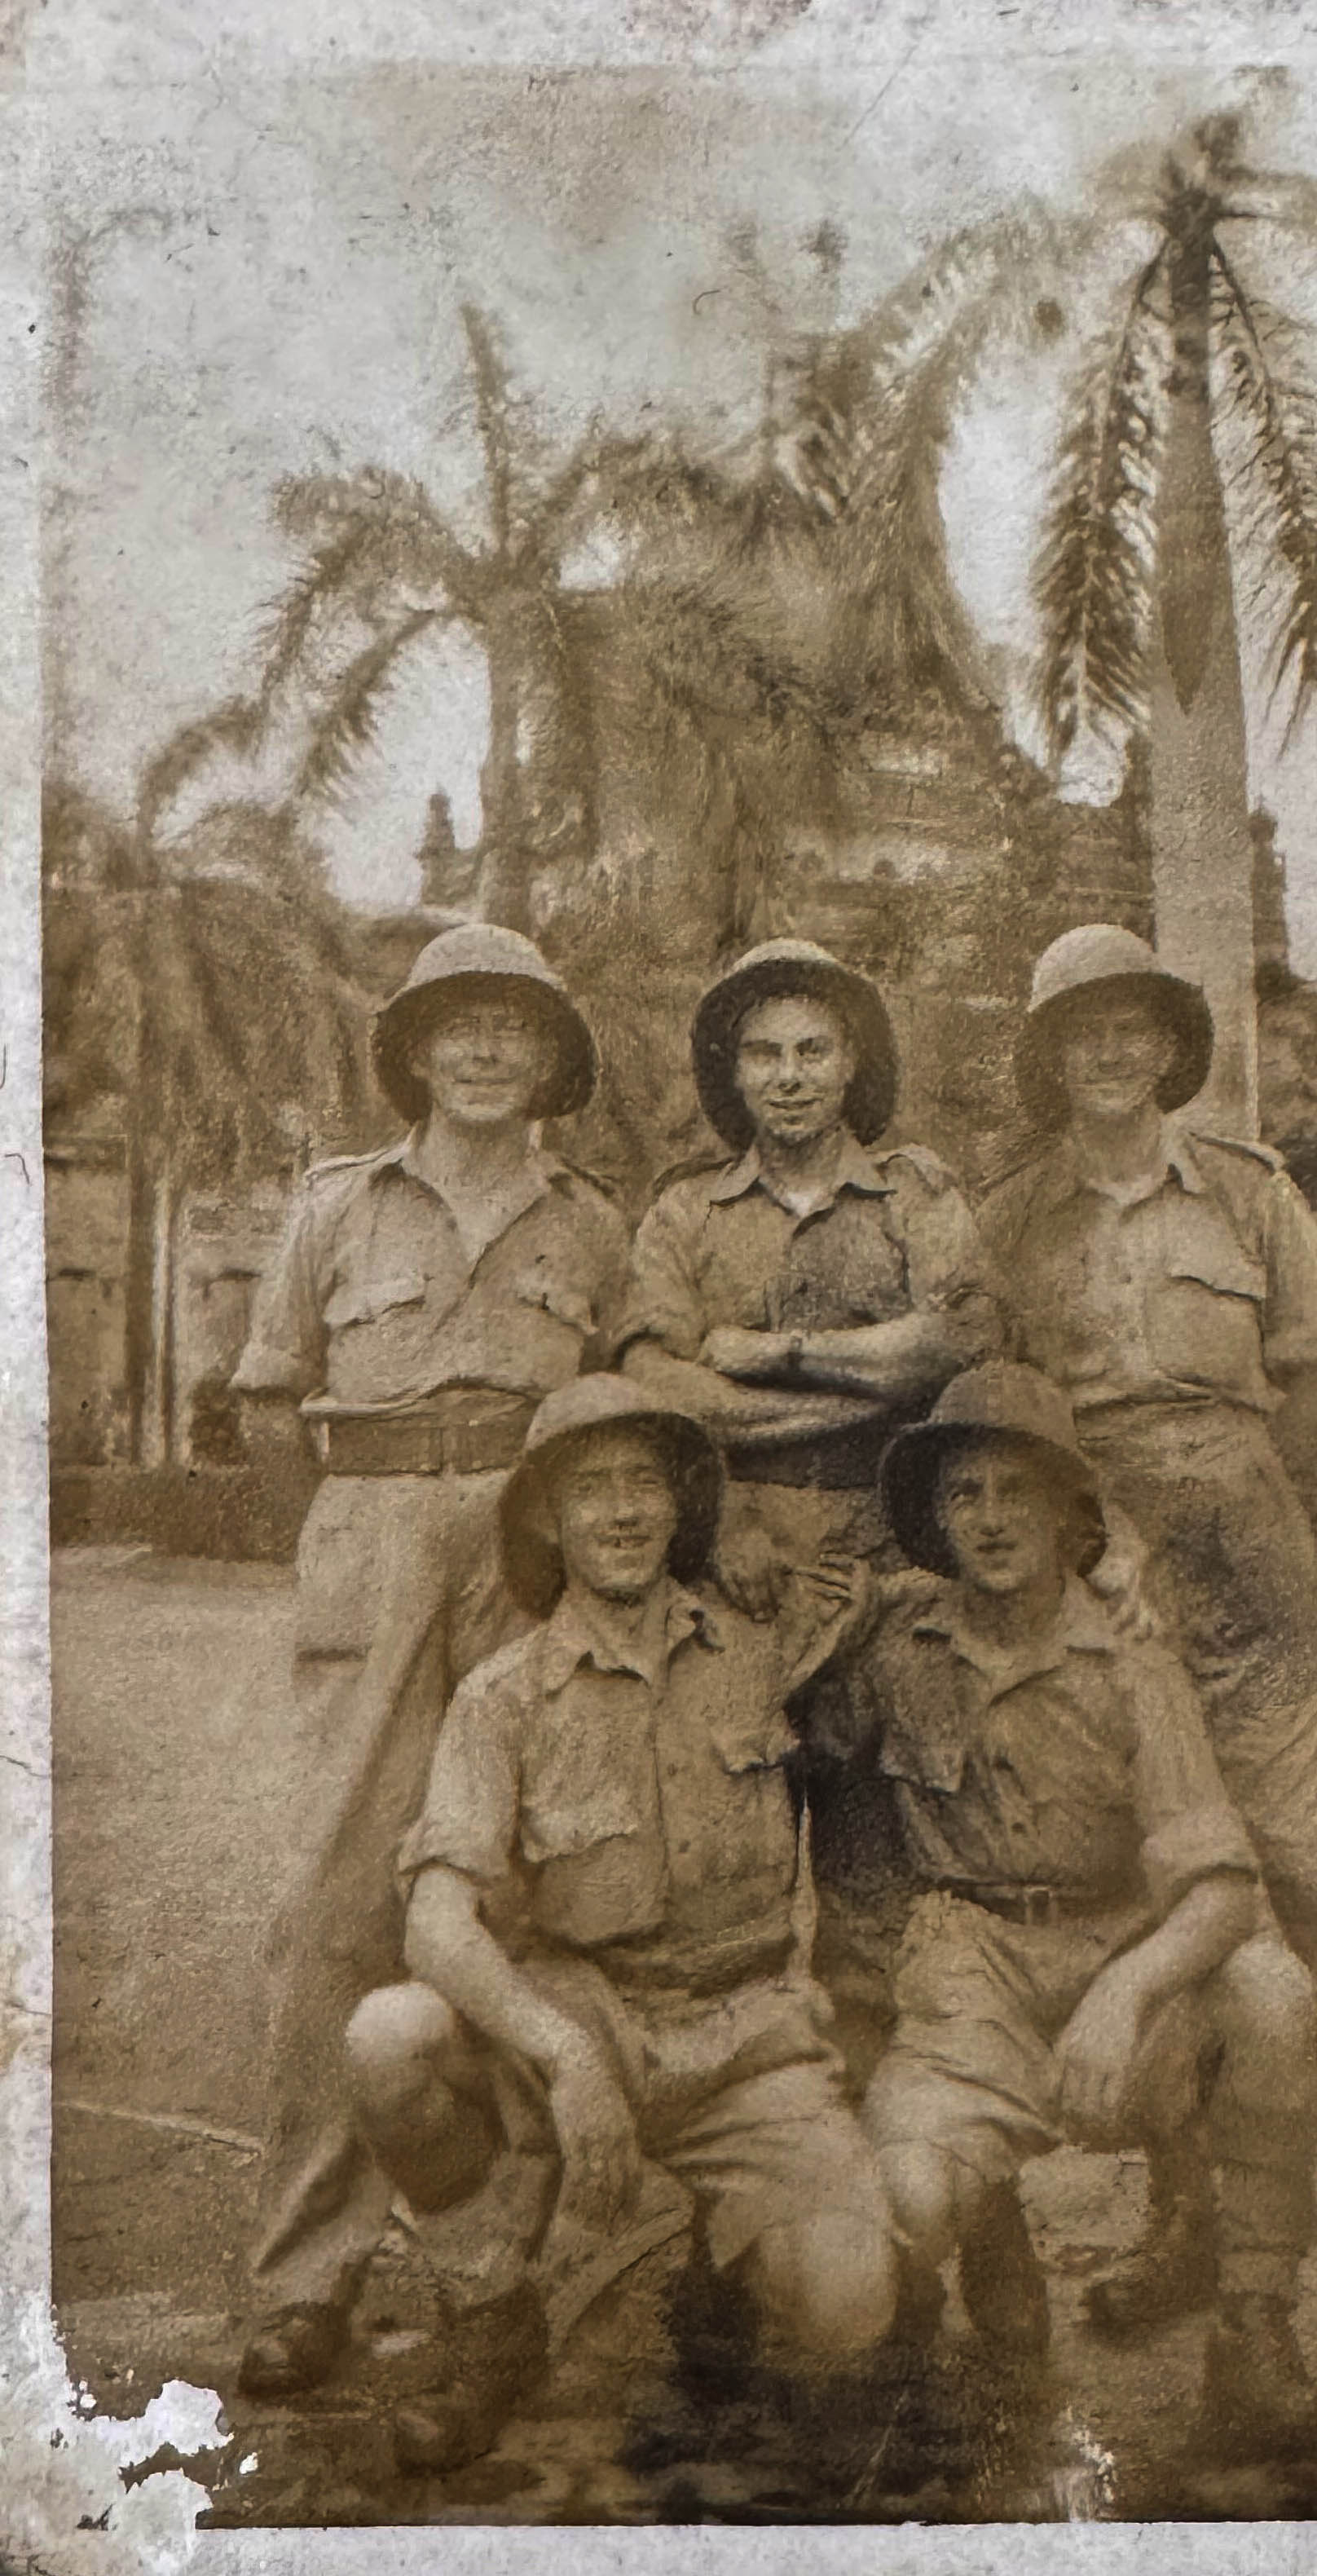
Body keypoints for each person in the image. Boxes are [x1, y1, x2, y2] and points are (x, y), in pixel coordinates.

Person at [979, 924, 1317, 2373]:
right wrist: (1090, 1555)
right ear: (1047, 1055)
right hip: (1095, 1592)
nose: (1108, 1055)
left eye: (1132, 1029)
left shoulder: (1252, 1196)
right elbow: (998, 1409)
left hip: (1249, 1584)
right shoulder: (1009, 1217)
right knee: (1163, 1906)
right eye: (1078, 1032)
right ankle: (1191, 2233)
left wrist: (1267, 1526)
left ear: (1166, 1049)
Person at [613, 937, 1055, 2340]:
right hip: (737, 1581)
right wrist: (833, 1396)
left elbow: (959, 1348)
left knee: (905, 1908)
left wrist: (778, 1357)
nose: (787, 1078)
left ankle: (969, 2224)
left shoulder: (919, 1192)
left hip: (892, 1575)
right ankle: (740, 2232)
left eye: (812, 1050)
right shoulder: (685, 1211)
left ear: (853, 1060)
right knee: (726, 1918)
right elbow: (654, 1382)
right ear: (729, 1072)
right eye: (761, 1054)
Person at [344, 1375, 898, 2475]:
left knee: (848, 2309)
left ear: (682, 1504)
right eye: (588, 1488)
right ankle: (492, 2317)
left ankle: (718, 2276)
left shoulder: (760, 1650)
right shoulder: (501, 1697)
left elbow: (918, 1594)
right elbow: (436, 1923)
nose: (622, 1511)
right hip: (579, 2019)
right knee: (388, 2039)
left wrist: (1109, 1565)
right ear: (547, 1520)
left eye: (643, 1480)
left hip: (747, 2039)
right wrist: (563, 2055)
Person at [231, 924, 628, 2401]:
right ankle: (303, 2277)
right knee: (335, 1912)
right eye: (453, 1026)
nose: (481, 1051)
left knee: (511, 1903)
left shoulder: (590, 1219)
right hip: (375, 1535)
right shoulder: (338, 1204)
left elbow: (630, 1405)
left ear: (546, 1061)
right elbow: (272, 1404)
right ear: (412, 1050)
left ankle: (497, 2276)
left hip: (529, 1556)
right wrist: (341, 1552)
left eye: (510, 1030)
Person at [850, 1362, 1317, 2466]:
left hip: (1120, 1953)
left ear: (1074, 1515)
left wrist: (1127, 1989)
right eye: (962, 1495)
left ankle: (1253, 2325)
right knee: (902, 2199)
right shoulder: (892, 1641)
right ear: (932, 1517)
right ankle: (963, 2286)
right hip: (969, 1975)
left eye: (1016, 1492)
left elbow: (1218, 1888)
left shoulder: (1129, 1657)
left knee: (1269, 1991)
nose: (989, 1520)